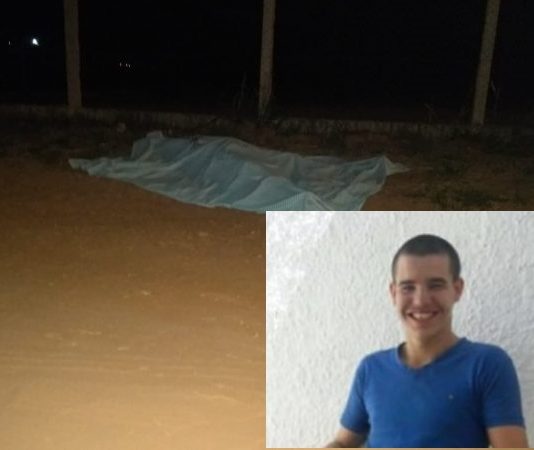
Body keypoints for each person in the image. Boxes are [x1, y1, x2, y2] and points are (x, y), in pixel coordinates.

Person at [325, 234, 528, 448]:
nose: (421, 300)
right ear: (393, 293)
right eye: (408, 287)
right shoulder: (371, 369)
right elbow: (342, 443)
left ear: (457, 289)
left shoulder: (487, 365)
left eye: (435, 285)